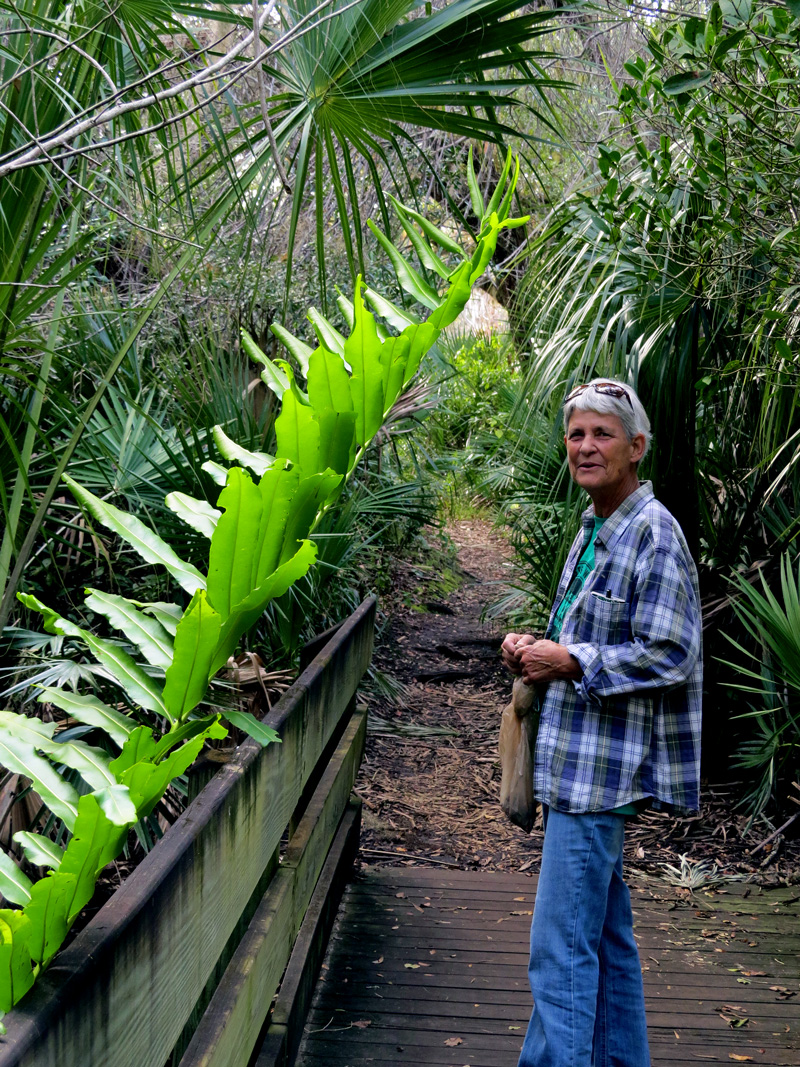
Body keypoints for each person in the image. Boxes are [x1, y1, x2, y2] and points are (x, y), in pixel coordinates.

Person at [501, 378, 702, 1067]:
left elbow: (672, 651)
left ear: (636, 447)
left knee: (559, 947)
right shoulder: (594, 527)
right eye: (576, 434)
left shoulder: (655, 533)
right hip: (573, 765)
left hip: (602, 773)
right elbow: (582, 641)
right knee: (606, 941)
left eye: (602, 434)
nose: (585, 447)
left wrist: (573, 659)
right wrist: (537, 649)